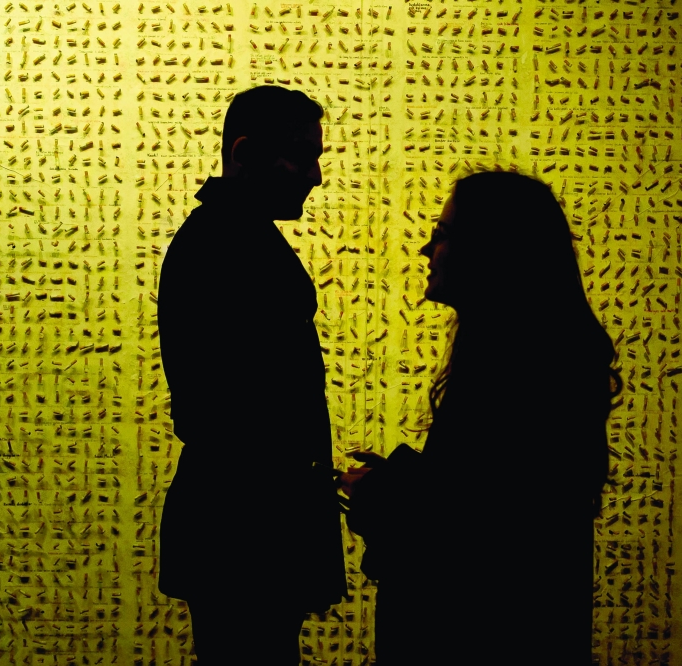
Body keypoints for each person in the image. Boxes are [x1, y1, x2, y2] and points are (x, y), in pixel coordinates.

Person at [339, 171, 622, 665]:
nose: (427, 250)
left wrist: (381, 494)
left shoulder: (515, 368)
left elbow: (474, 535)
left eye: (444, 234)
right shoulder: (540, 358)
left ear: (492, 250)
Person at [156, 85, 347, 665]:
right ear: (244, 151)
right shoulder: (223, 245)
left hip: (242, 521)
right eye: (302, 156)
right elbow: (232, 411)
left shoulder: (226, 238)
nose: (315, 176)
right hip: (246, 531)